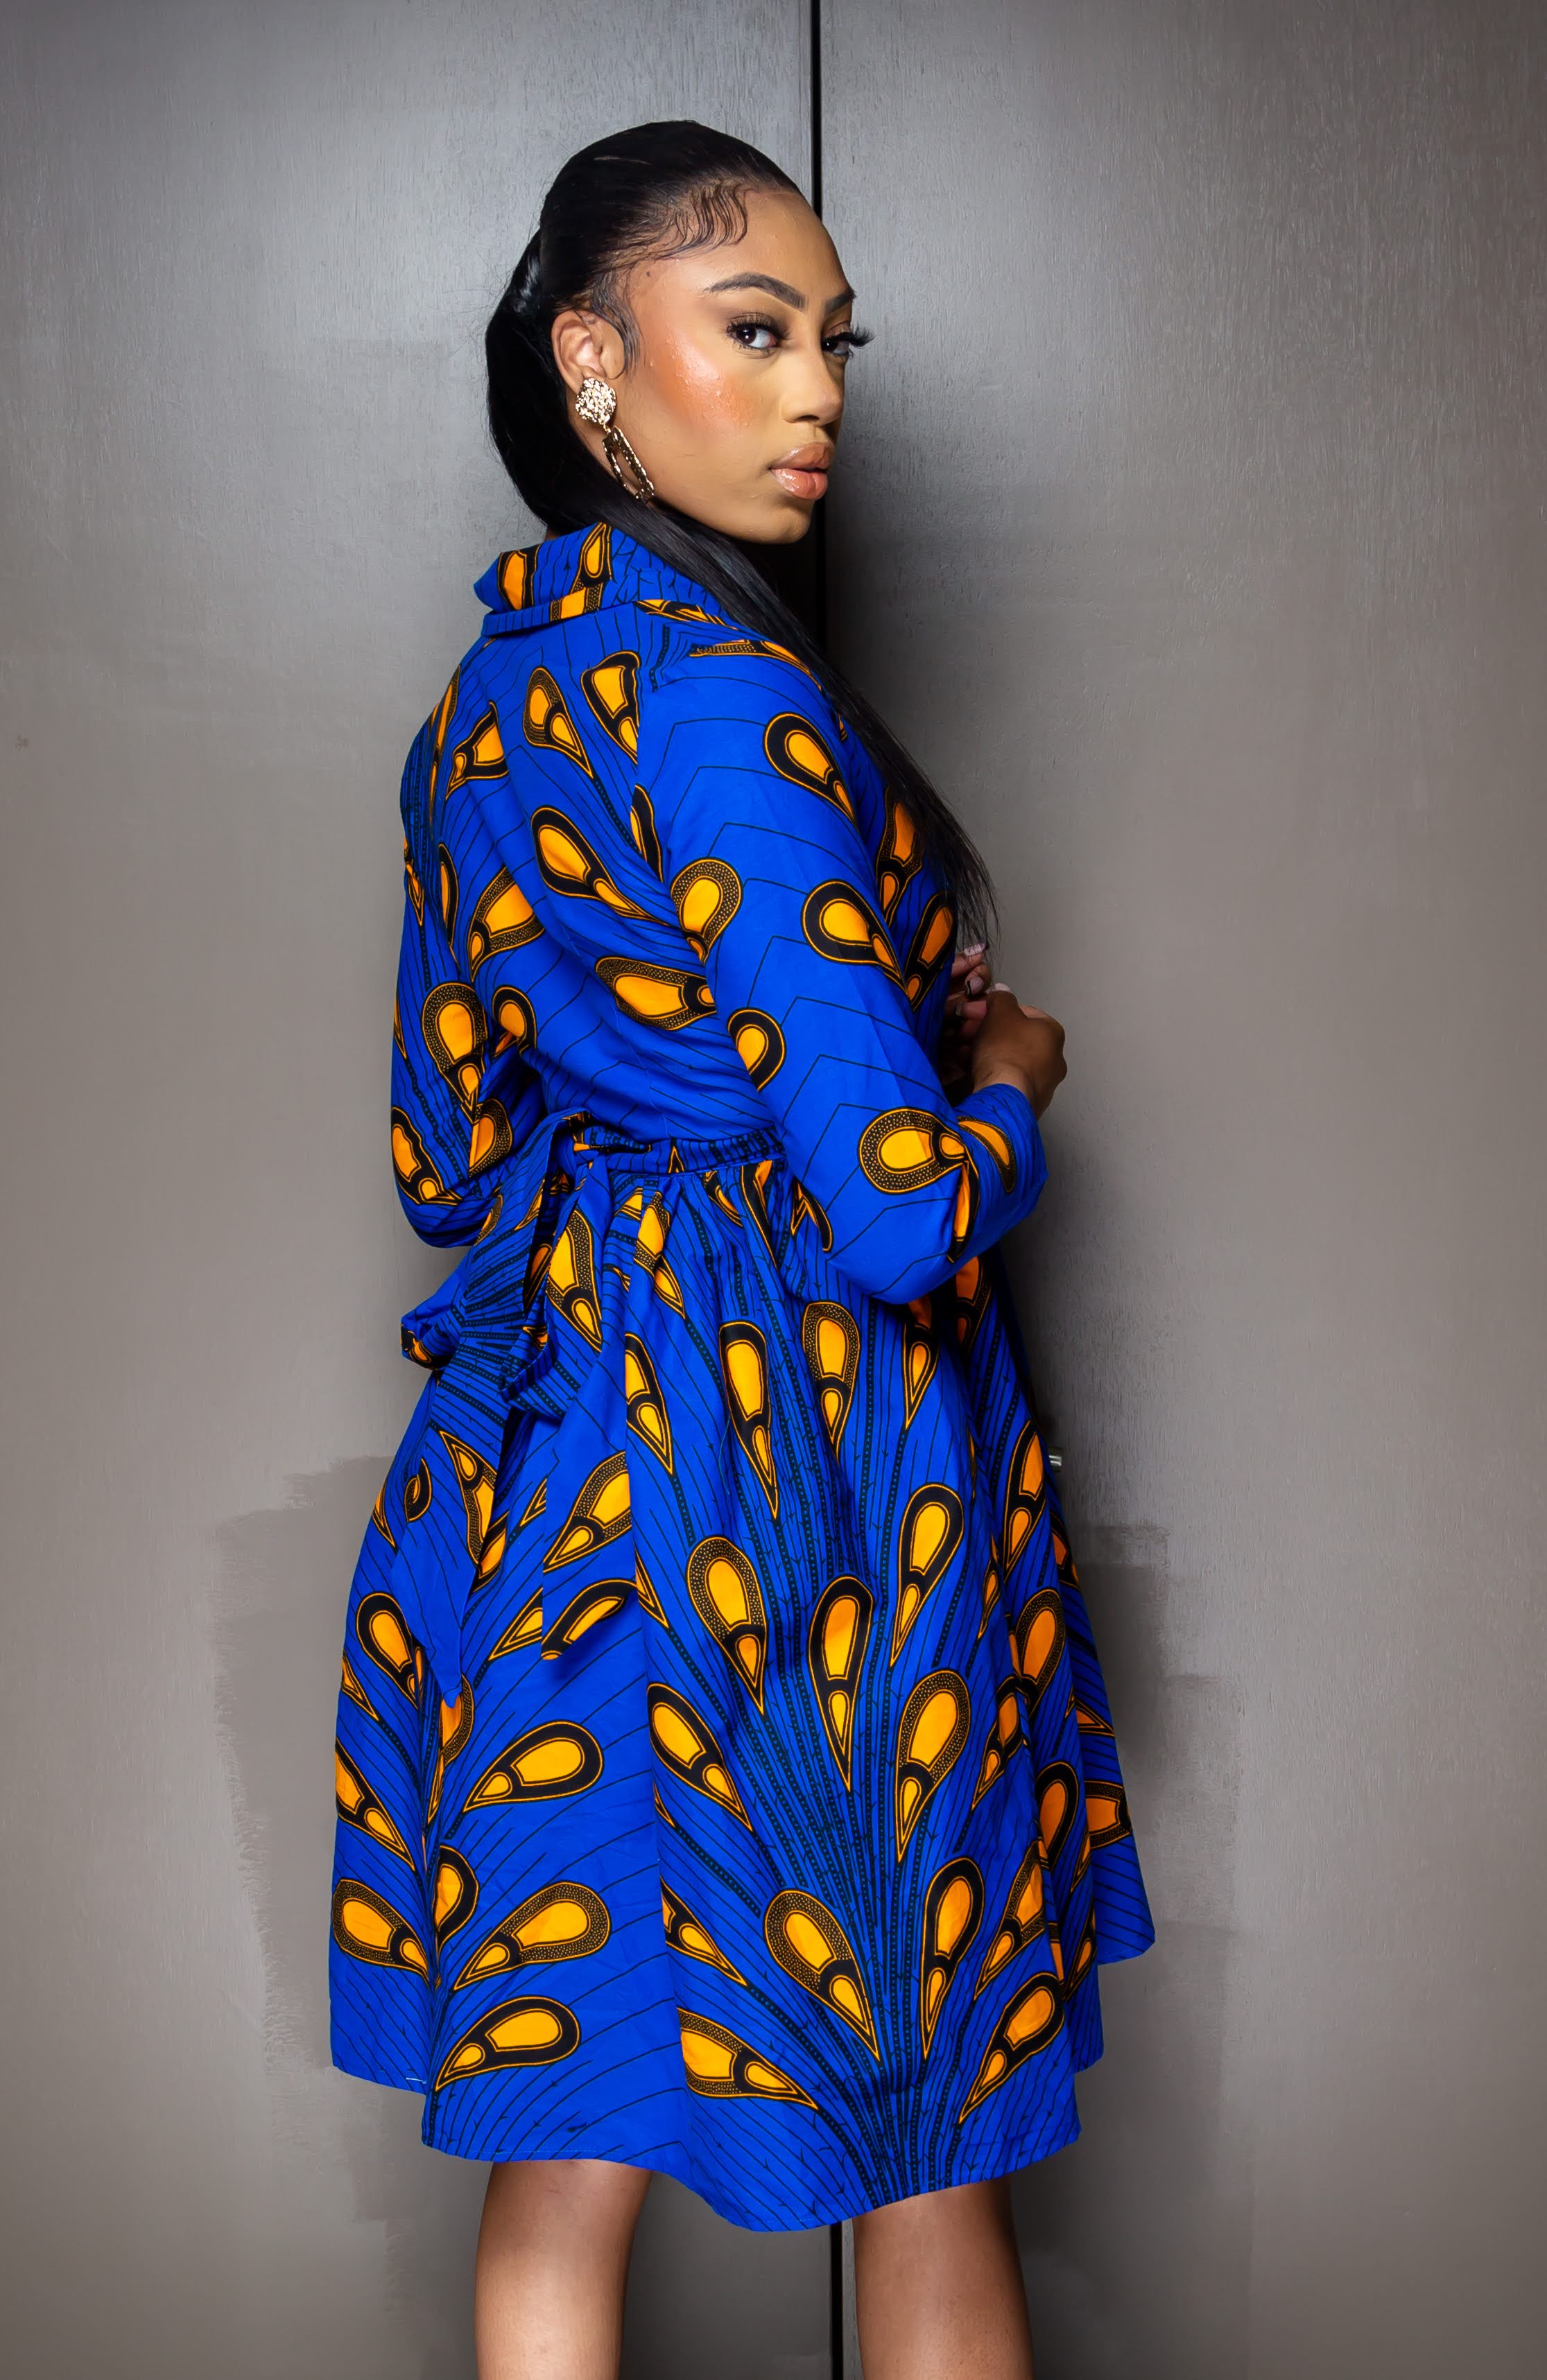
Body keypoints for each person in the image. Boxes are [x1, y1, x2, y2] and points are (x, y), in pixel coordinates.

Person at [328, 118, 1154, 2380]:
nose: (816, 395)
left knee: (562, 2149)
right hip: (806, 1504)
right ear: (593, 359)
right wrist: (1011, 1073)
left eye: (835, 347)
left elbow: (444, 1160)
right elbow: (893, 1205)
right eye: (758, 330)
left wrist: (648, 1136)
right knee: (923, 2144)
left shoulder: (483, 707)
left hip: (554, 1494)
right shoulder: (724, 697)